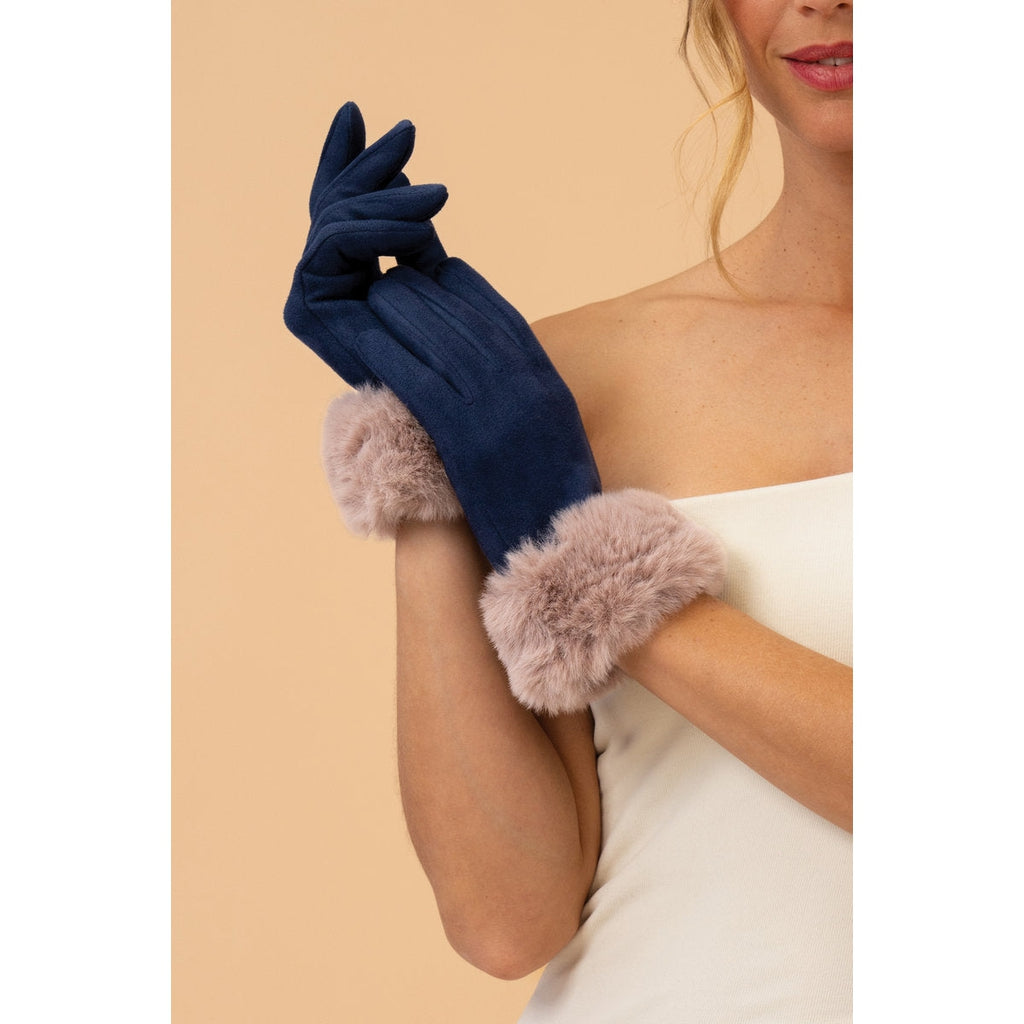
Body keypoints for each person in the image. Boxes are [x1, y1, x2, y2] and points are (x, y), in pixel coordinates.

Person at [285, 0, 852, 1019]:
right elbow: (508, 918)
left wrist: (585, 565)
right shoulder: (565, 384)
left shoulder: (549, 446)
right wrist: (432, 437)